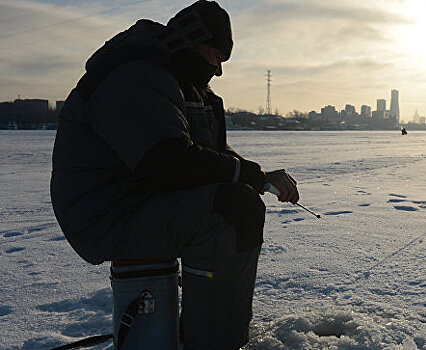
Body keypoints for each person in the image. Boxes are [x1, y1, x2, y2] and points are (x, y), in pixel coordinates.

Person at [50, 1, 299, 348]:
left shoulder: (178, 81)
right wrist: (251, 178)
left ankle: (207, 331)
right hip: (106, 213)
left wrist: (261, 177)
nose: (218, 70)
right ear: (194, 40)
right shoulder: (137, 74)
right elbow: (168, 163)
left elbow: (204, 154)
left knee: (235, 202)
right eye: (217, 56)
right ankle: (213, 342)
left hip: (139, 201)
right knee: (231, 212)